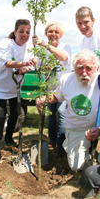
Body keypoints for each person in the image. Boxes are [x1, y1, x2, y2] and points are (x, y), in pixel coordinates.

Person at [36, 49, 100, 171]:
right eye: (79, 68)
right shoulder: (66, 79)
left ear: (97, 67)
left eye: (88, 68)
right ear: (74, 67)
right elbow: (57, 96)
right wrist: (43, 98)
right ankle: (82, 153)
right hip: (76, 127)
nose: (84, 73)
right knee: (76, 167)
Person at [0, 19, 37, 162]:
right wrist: (21, 64)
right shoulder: (6, 43)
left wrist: (25, 68)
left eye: (28, 32)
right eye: (21, 31)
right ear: (15, 32)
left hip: (15, 85)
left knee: (15, 112)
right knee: (1, 113)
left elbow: (31, 64)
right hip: (1, 85)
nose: (24, 34)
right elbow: (7, 62)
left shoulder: (29, 47)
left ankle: (9, 137)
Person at [32, 21, 72, 156]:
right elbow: (37, 66)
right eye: (50, 31)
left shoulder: (66, 46)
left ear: (61, 35)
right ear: (46, 33)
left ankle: (61, 144)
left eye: (56, 32)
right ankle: (52, 140)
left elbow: (64, 57)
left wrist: (45, 45)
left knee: (61, 113)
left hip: (63, 88)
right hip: (49, 88)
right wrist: (44, 67)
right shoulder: (41, 50)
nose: (53, 34)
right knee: (50, 114)